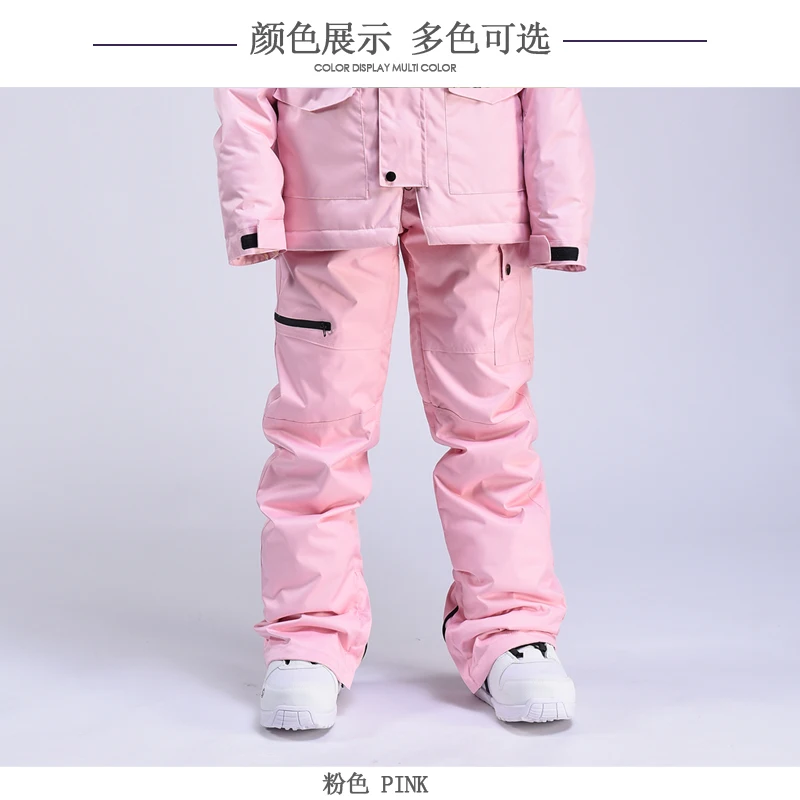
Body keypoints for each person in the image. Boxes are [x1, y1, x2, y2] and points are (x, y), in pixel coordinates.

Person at [212, 87, 595, 730]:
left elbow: (548, 69)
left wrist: (559, 216)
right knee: (317, 430)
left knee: (491, 427)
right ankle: (309, 636)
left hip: (479, 194)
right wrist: (255, 209)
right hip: (330, 197)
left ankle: (511, 630)